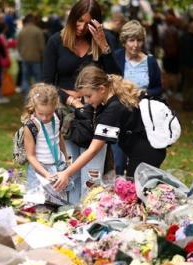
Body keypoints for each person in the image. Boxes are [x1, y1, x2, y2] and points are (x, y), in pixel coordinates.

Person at [42, 0, 119, 204]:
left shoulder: (105, 39)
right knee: (69, 167)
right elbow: (47, 83)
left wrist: (103, 46)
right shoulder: (56, 41)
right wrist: (70, 99)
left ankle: (90, 210)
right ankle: (70, 211)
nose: (81, 27)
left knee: (93, 171)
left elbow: (116, 79)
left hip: (97, 113)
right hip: (66, 114)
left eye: (87, 23)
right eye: (78, 21)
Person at [52, 65, 166, 192]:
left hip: (145, 155)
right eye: (84, 97)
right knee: (136, 195)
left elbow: (93, 150)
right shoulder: (113, 95)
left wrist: (66, 173)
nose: (86, 101)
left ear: (101, 89)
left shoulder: (113, 110)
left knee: (136, 196)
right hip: (147, 151)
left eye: (89, 96)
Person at [112, 19, 162, 176]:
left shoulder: (150, 61)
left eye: (139, 40)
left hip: (142, 120)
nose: (135, 45)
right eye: (131, 40)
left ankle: (135, 190)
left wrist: (145, 94)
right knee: (118, 162)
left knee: (139, 161)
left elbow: (158, 88)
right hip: (120, 117)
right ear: (124, 41)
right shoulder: (116, 57)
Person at [22, 83, 69, 192]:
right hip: (39, 170)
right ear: (34, 107)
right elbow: (30, 156)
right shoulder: (31, 125)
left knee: (59, 202)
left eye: (49, 114)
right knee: (39, 203)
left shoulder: (58, 115)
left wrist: (66, 158)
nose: (44, 118)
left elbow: (59, 137)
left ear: (55, 106)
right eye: (41, 113)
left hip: (58, 166)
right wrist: (46, 174)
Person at [17, 14, 45, 96]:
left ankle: (27, 95)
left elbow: (18, 45)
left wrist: (22, 54)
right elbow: (42, 46)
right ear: (33, 21)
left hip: (25, 57)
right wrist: (43, 56)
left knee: (25, 78)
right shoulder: (38, 31)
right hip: (36, 58)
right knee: (38, 78)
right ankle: (38, 95)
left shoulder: (22, 31)